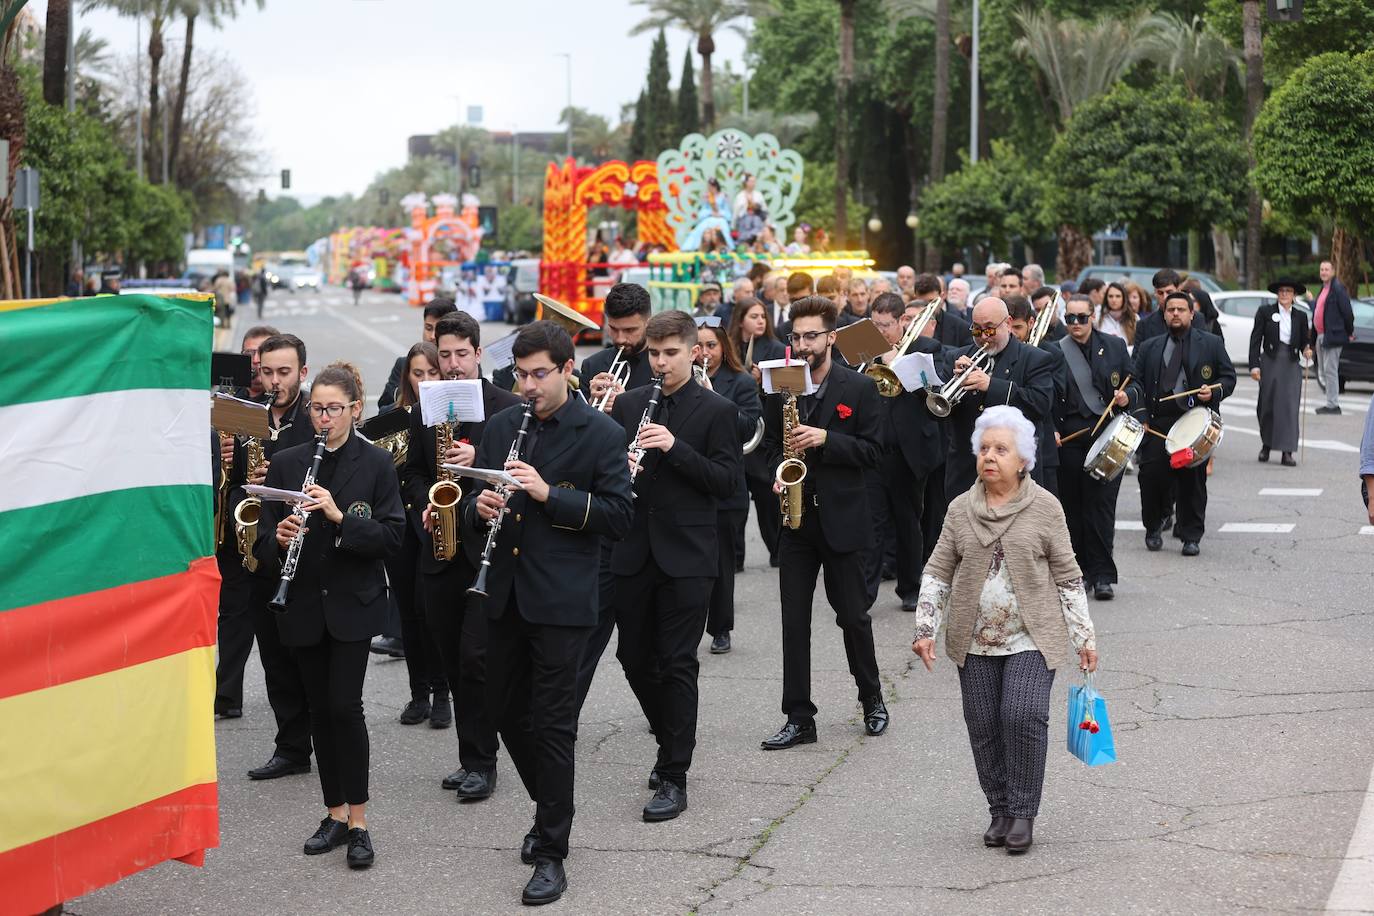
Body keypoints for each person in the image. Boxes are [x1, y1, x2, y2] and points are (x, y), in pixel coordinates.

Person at [463, 321, 634, 905]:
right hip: (505, 594)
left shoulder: (601, 433)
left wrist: (547, 494)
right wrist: (478, 507)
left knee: (555, 723)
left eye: (540, 375)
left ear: (567, 372)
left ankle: (552, 850)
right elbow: (472, 505)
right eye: (521, 374)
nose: (528, 386)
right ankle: (551, 805)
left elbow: (617, 516)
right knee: (505, 712)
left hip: (562, 601)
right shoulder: (502, 426)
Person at [912, 405, 1097, 855]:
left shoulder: (1046, 507)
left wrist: (1084, 638)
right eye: (984, 448)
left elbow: (1068, 574)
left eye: (1001, 449)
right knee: (984, 724)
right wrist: (925, 626)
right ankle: (999, 808)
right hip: (973, 638)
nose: (990, 456)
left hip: (1031, 636)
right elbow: (938, 570)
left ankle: (1023, 812)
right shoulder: (960, 509)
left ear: (1023, 461)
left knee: (1021, 715)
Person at [253, 363, 404, 870]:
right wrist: (276, 540)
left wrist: (340, 519)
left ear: (355, 410)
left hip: (352, 605)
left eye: (334, 408)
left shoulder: (377, 464)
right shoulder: (287, 462)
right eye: (317, 407)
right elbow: (261, 537)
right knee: (319, 710)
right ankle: (334, 813)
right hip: (300, 604)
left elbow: (392, 538)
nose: (323, 418)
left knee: (345, 707)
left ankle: (359, 821)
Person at [608, 310, 741, 821]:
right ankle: (670, 739)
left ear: (693, 352)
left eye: (670, 354)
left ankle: (674, 773)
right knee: (633, 657)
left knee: (677, 661)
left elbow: (728, 483)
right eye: (654, 354)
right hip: (634, 548)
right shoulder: (629, 404)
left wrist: (676, 447)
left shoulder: (716, 411)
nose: (660, 363)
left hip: (688, 555)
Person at [758, 296, 887, 750]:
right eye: (795, 336)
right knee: (794, 624)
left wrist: (827, 438)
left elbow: (874, 453)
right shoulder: (780, 385)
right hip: (795, 523)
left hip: (843, 520)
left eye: (811, 336)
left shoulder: (859, 389)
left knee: (852, 616)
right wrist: (777, 472)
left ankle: (871, 698)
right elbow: (769, 447)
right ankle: (799, 716)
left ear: (832, 337)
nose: (802, 344)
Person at [403, 314, 522, 799]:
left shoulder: (506, 407)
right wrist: (428, 503)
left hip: (488, 551)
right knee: (452, 659)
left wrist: (484, 464)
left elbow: (519, 475)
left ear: (477, 354)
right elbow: (409, 474)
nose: (451, 365)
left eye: (460, 354)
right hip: (440, 546)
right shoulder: (424, 409)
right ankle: (472, 754)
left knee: (477, 659)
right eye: (444, 356)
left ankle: (485, 762)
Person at [245, 334, 321, 782]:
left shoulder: (315, 417)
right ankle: (291, 746)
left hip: (307, 550)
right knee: (273, 657)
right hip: (262, 547)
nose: (275, 381)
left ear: (302, 373)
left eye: (284, 372)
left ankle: (321, 735)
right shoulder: (248, 415)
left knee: (307, 656)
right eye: (267, 372)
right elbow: (230, 478)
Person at [1133, 290, 1236, 556]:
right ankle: (1154, 526)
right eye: (1170, 310)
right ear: (1164, 314)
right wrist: (1141, 417)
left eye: (1181, 309)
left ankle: (1191, 535)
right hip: (1158, 422)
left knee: (1192, 480)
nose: (1175, 314)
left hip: (1194, 422)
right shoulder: (1149, 347)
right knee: (1151, 476)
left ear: (1192, 313)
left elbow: (1228, 378)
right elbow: (1135, 384)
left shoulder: (1211, 343)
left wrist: (1213, 392)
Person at [215, 325, 281, 721]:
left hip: (272, 522)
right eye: (249, 354)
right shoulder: (231, 402)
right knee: (233, 613)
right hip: (234, 524)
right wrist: (220, 448)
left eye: (261, 354)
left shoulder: (284, 408)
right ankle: (227, 695)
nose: (254, 362)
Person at [1054, 295, 1140, 600]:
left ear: (1093, 316)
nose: (1075, 324)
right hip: (1070, 438)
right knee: (1072, 509)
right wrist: (1051, 427)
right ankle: (1080, 572)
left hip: (1106, 435)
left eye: (1081, 317)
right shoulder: (1055, 350)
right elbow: (1049, 395)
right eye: (1070, 318)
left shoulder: (1114, 346)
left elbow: (1136, 384)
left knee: (1102, 507)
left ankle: (1104, 575)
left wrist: (1128, 396)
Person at [869, 293, 945, 612]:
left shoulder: (926, 349)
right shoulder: (866, 349)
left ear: (903, 321)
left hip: (908, 451)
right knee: (870, 522)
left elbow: (933, 391)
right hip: (872, 446)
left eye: (885, 325)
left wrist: (893, 361)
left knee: (907, 520)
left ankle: (910, 587)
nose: (880, 331)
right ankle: (864, 588)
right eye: (875, 324)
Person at [939, 298, 1057, 496]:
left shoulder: (1035, 358)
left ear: (1008, 323)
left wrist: (991, 385)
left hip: (1013, 470)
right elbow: (937, 411)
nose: (984, 336)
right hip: (964, 469)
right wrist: (952, 381)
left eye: (990, 329)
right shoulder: (956, 357)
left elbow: (1041, 404)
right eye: (976, 330)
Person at [697, 317, 762, 653]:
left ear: (723, 347)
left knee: (722, 563)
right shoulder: (680, 380)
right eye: (700, 346)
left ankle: (721, 628)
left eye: (712, 345)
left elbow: (749, 425)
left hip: (725, 485)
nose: (705, 352)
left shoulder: (738, 381)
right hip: (690, 482)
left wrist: (714, 399)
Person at [727, 295, 786, 568]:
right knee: (735, 501)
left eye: (763, 316)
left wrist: (763, 383)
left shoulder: (775, 347)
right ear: (740, 321)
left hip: (763, 434)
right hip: (736, 433)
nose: (760, 320)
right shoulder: (729, 347)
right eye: (754, 316)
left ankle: (777, 550)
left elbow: (784, 391)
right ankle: (735, 556)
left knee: (767, 499)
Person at [1250, 279, 1313, 466]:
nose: (1285, 294)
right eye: (1282, 291)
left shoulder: (1300, 316)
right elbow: (1255, 339)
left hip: (1291, 363)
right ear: (1277, 294)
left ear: (1294, 295)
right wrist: (1254, 365)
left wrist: (1307, 349)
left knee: (1289, 407)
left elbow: (1304, 341)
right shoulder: (1265, 312)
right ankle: (1266, 445)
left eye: (1288, 291)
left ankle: (1287, 451)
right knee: (1266, 404)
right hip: (1270, 360)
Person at [584, 283, 655, 414]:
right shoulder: (591, 365)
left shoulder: (664, 366)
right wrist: (590, 405)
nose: (620, 339)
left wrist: (628, 404)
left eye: (630, 330)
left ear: (648, 324)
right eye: (613, 329)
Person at [378, 298, 458, 412]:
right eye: (428, 328)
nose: (432, 336)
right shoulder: (403, 363)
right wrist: (409, 393)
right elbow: (384, 405)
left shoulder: (459, 367)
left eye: (433, 372)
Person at [1313, 259, 1356, 414]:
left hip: (1333, 336)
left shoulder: (1338, 289)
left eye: (1326, 269)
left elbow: (1347, 313)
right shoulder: (1324, 288)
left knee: (1330, 370)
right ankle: (1330, 401)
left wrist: (1349, 332)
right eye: (1321, 269)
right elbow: (1321, 311)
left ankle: (1333, 405)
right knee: (1324, 371)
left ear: (1333, 272)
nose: (1323, 272)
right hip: (1321, 335)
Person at [1135, 268, 1181, 344]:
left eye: (1169, 292)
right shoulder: (1144, 325)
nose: (1165, 297)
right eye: (1160, 293)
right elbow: (1138, 355)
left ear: (1178, 290)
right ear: (1155, 293)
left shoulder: (1196, 319)